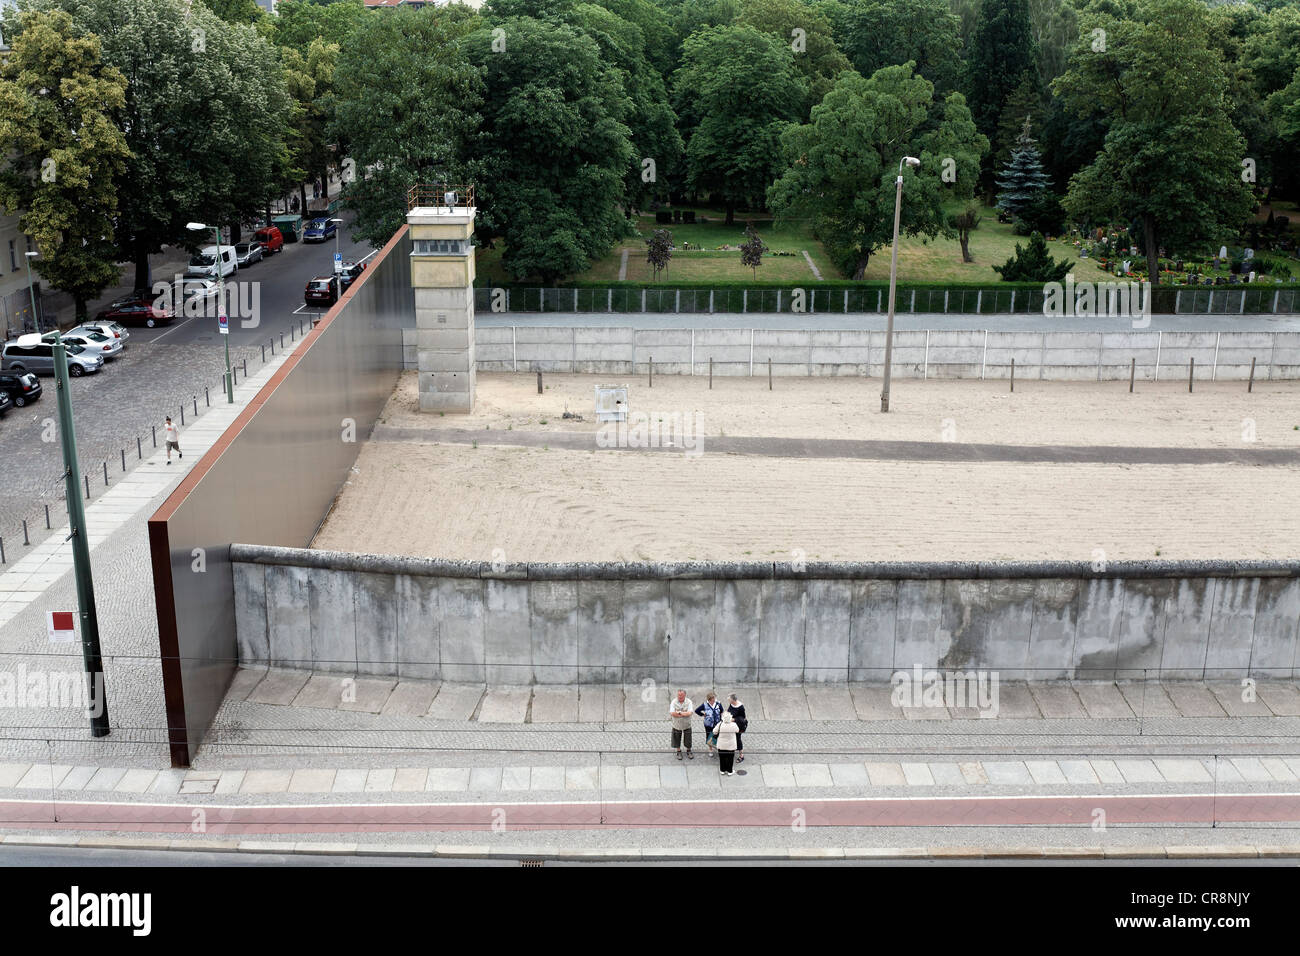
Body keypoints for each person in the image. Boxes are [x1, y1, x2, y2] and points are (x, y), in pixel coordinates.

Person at [694, 692, 722, 756]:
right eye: (712, 700)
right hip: (708, 724)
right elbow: (697, 710)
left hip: (717, 723)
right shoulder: (705, 704)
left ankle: (718, 747)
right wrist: (703, 714)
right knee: (709, 736)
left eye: (714, 699)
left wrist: (721, 720)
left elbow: (722, 711)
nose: (713, 701)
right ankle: (710, 749)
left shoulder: (718, 703)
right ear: (709, 700)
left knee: (717, 735)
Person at [669, 689, 694, 760]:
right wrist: (684, 713)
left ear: (685, 695)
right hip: (677, 724)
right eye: (678, 695)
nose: (679, 696)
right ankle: (678, 751)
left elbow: (690, 713)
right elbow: (672, 713)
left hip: (687, 724)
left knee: (688, 738)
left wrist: (679, 713)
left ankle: (689, 750)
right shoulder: (674, 702)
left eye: (681, 695)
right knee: (676, 738)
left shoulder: (689, 702)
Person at [727, 693, 748, 762]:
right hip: (732, 725)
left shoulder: (740, 707)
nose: (728, 701)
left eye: (729, 699)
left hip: (739, 726)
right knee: (732, 738)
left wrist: (734, 719)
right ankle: (731, 751)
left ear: (733, 700)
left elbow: (743, 718)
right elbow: (729, 711)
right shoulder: (732, 704)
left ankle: (741, 755)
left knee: (738, 739)